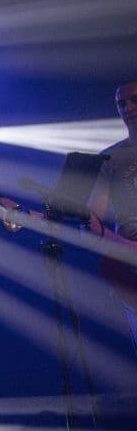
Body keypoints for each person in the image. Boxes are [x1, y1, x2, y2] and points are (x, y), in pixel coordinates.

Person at [89, 78, 137, 355]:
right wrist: (126, 247)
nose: (127, 108)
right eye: (121, 103)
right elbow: (92, 221)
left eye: (134, 100)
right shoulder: (109, 158)